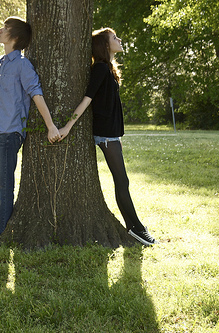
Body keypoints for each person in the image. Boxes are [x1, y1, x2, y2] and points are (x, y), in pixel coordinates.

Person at [58, 28, 158, 246]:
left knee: (122, 180)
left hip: (112, 135)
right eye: (114, 38)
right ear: (104, 45)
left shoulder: (108, 68)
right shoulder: (101, 69)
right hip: (105, 135)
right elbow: (87, 99)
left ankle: (135, 227)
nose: (119, 40)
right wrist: (68, 126)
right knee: (122, 180)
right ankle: (136, 229)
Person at [0, 17, 60, 247]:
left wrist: (51, 126)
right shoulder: (4, 65)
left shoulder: (22, 64)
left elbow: (36, 94)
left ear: (16, 37)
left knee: (3, 187)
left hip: (10, 135)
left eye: (5, 28)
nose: (0, 30)